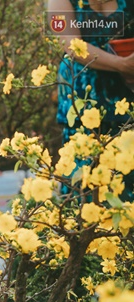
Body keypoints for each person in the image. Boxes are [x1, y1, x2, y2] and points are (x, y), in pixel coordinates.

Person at [48, 0, 134, 199]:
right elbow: (70, 44)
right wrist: (120, 64)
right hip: (81, 98)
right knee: (83, 182)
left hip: (126, 97)